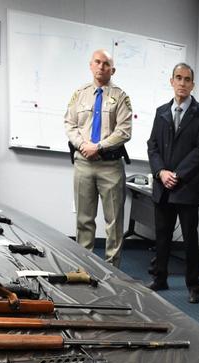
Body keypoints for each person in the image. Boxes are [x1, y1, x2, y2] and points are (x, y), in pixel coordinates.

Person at [146, 62, 199, 302]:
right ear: (171, 81)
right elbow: (152, 145)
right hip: (163, 186)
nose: (182, 83)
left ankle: (193, 285)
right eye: (178, 78)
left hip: (187, 187)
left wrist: (178, 174)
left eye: (187, 79)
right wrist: (161, 172)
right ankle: (160, 278)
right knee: (162, 235)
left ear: (192, 84)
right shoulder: (161, 111)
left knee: (189, 238)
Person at [64, 49, 132, 267]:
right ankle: (85, 267)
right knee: (84, 219)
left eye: (106, 64)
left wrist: (99, 146)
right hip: (84, 164)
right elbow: (69, 124)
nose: (101, 67)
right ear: (91, 65)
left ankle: (113, 269)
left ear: (113, 69)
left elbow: (124, 131)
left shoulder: (120, 97)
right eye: (97, 62)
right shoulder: (79, 94)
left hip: (110, 166)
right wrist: (83, 145)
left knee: (113, 222)